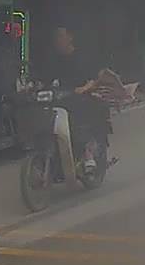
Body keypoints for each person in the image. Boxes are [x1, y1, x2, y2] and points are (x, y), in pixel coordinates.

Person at [43, 26, 109, 170]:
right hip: (62, 100)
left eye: (61, 36)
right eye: (56, 37)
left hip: (84, 98)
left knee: (78, 121)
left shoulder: (82, 58)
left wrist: (83, 89)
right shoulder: (55, 61)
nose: (58, 40)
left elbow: (94, 79)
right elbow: (47, 80)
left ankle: (88, 154)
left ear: (70, 37)